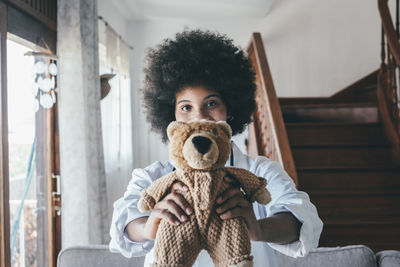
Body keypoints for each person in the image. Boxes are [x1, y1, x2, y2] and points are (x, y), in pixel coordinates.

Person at [109, 29, 323, 267]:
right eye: (186, 107)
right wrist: (149, 227)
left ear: (229, 109)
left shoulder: (261, 172)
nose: (199, 117)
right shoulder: (152, 177)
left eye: (211, 103)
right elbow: (124, 222)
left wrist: (258, 228)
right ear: (171, 115)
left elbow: (301, 219)